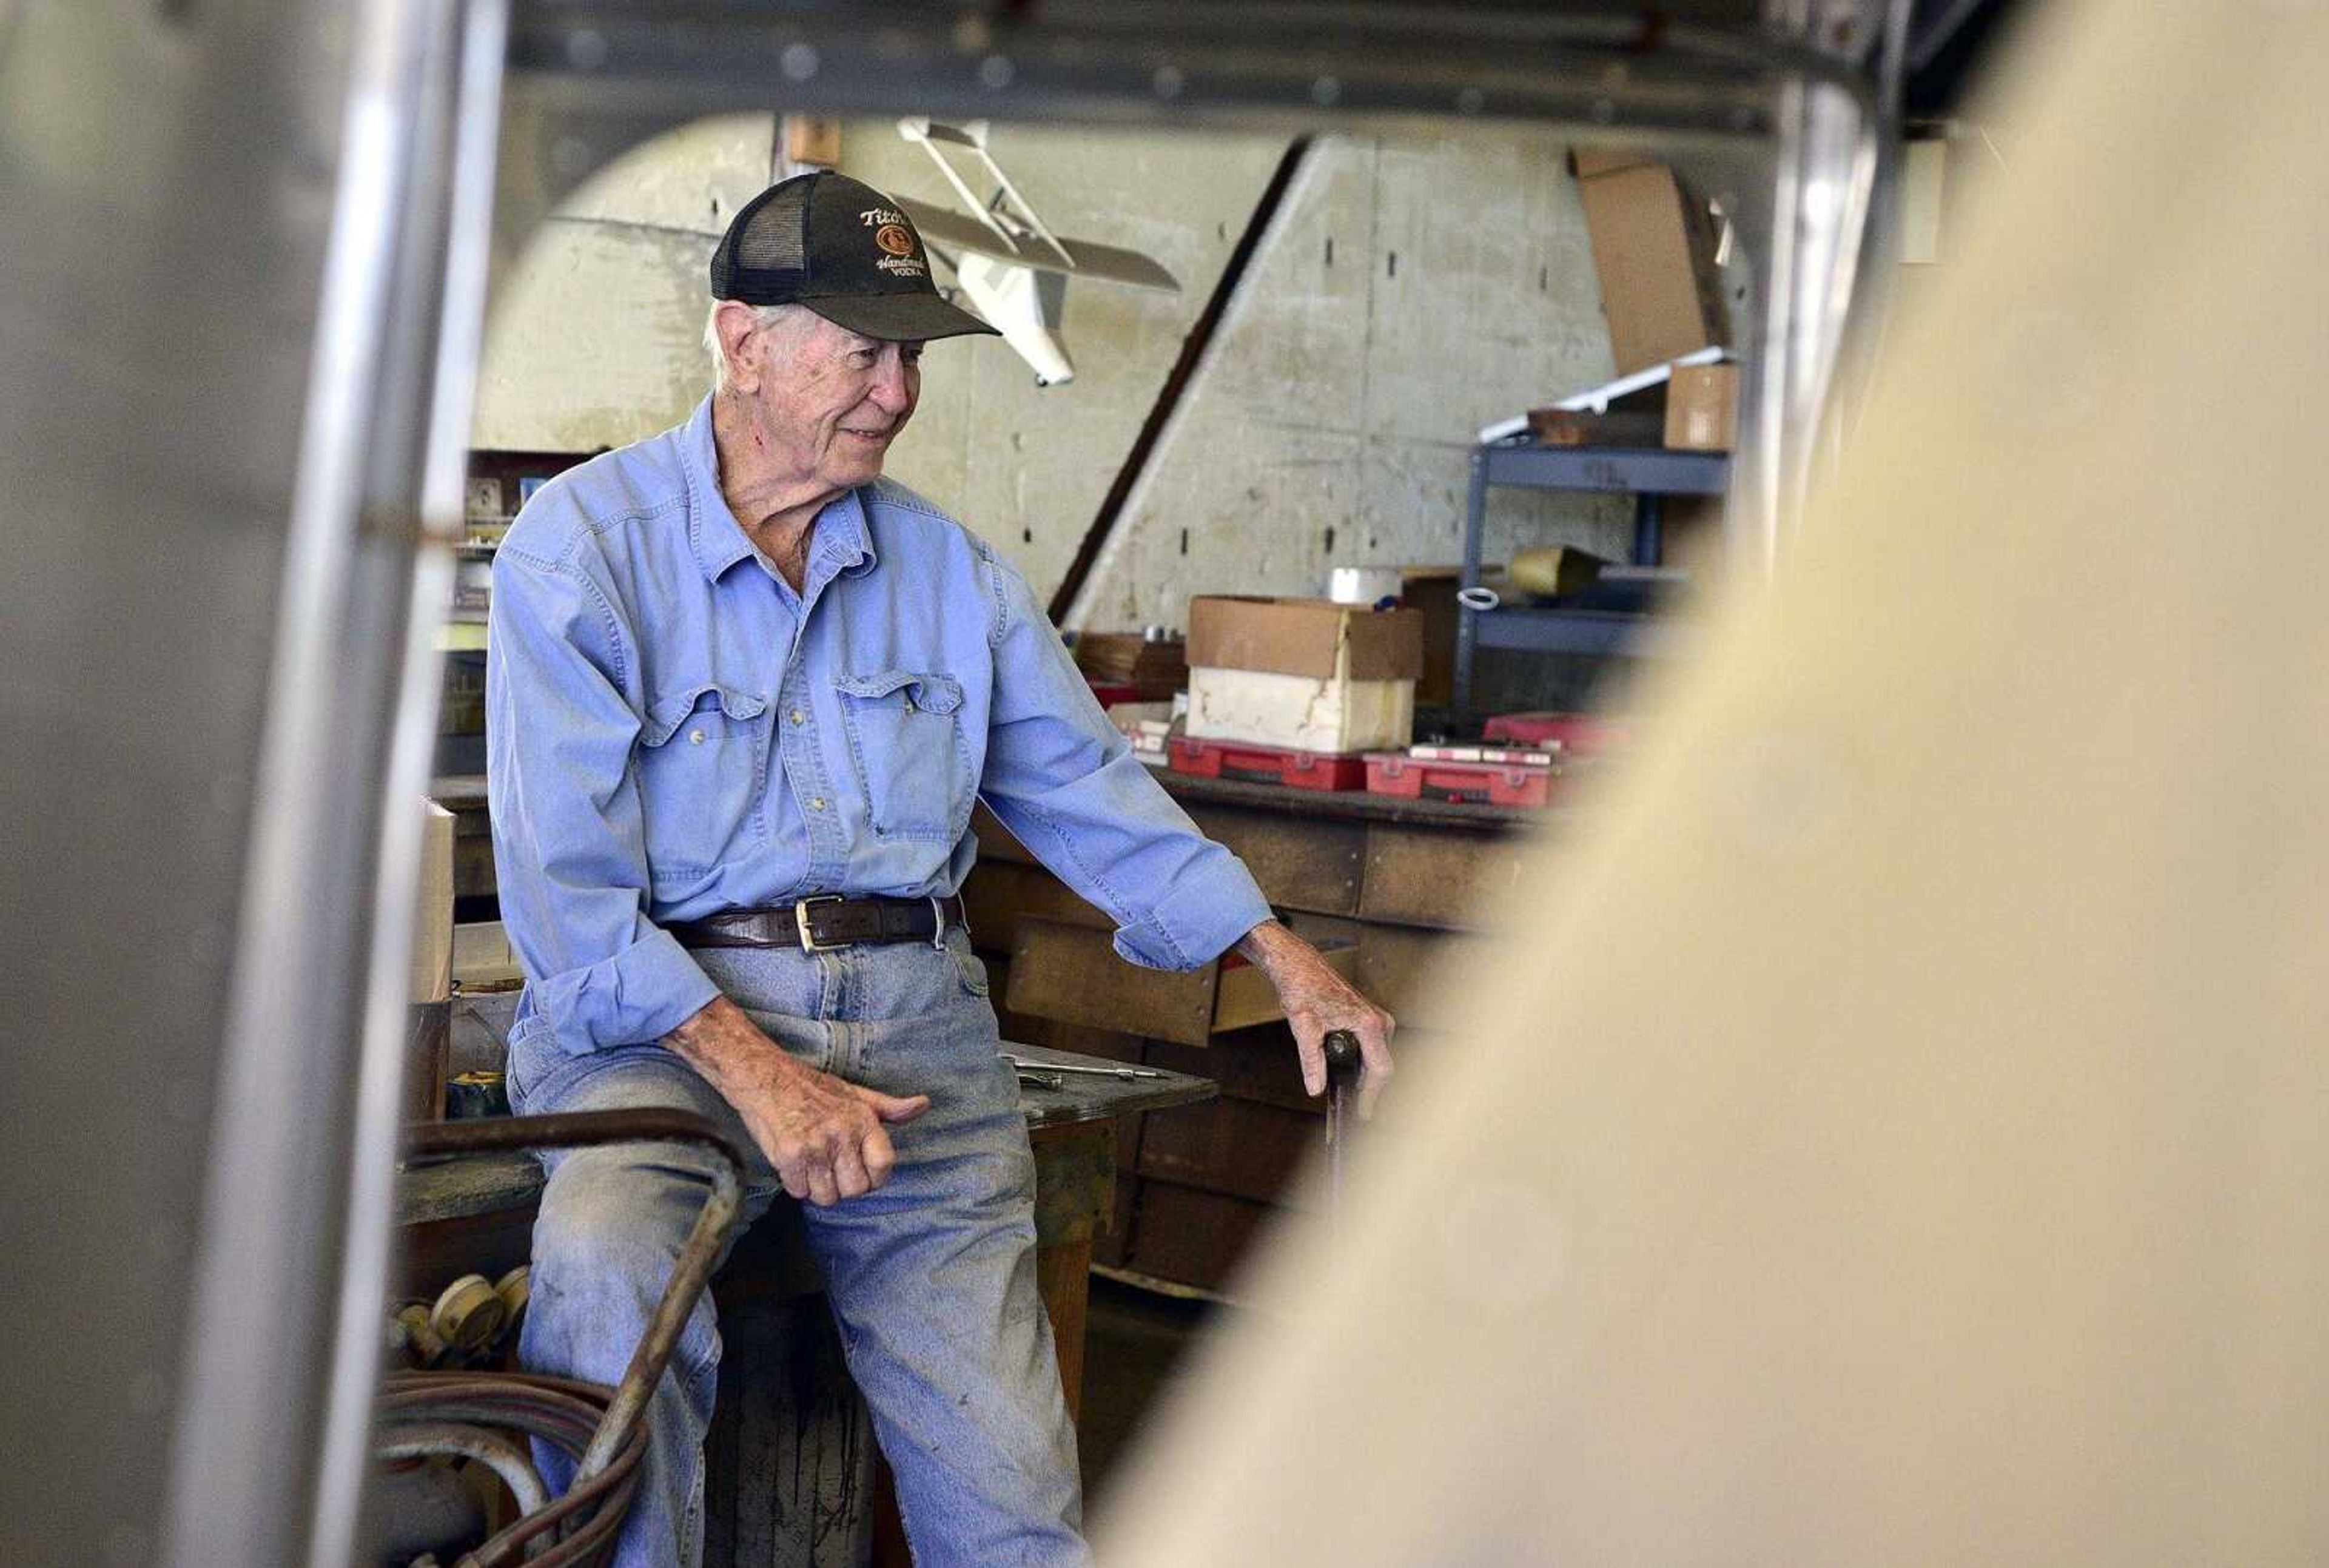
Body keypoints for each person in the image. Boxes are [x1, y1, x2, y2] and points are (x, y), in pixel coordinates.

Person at [485, 169, 1396, 1567]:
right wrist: (769, 1080)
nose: (900, 393)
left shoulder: (948, 571)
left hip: (917, 1033)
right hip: (666, 1040)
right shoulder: (585, 554)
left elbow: (1085, 787)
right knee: (606, 1268)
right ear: (744, 343)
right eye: (866, 351)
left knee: (1014, 1486)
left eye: (913, 354)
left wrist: (1275, 952)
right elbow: (576, 910)